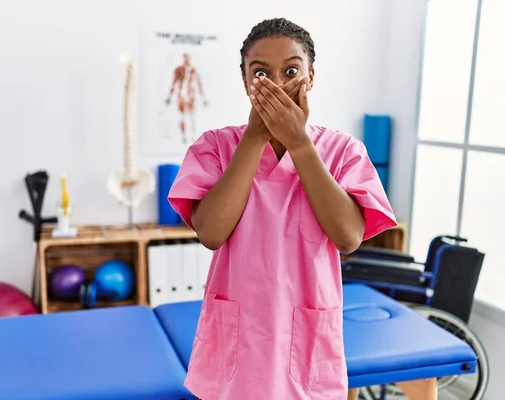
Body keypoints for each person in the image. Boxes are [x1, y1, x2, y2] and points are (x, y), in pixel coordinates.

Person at [168, 18, 397, 400]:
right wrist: (255, 138)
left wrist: (300, 145)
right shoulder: (215, 147)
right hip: (236, 345)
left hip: (305, 342)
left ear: (310, 77)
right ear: (245, 82)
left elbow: (348, 237)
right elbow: (210, 232)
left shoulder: (343, 151)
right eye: (261, 73)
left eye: (291, 70)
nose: (277, 83)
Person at [165, 52, 208, 144]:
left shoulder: (193, 70)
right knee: (182, 116)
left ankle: (193, 137)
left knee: (192, 116)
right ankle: (184, 137)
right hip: (181, 95)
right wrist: (169, 97)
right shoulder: (179, 70)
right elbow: (174, 83)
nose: (186, 60)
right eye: (185, 58)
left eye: (187, 58)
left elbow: (199, 84)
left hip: (190, 95)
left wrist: (203, 98)